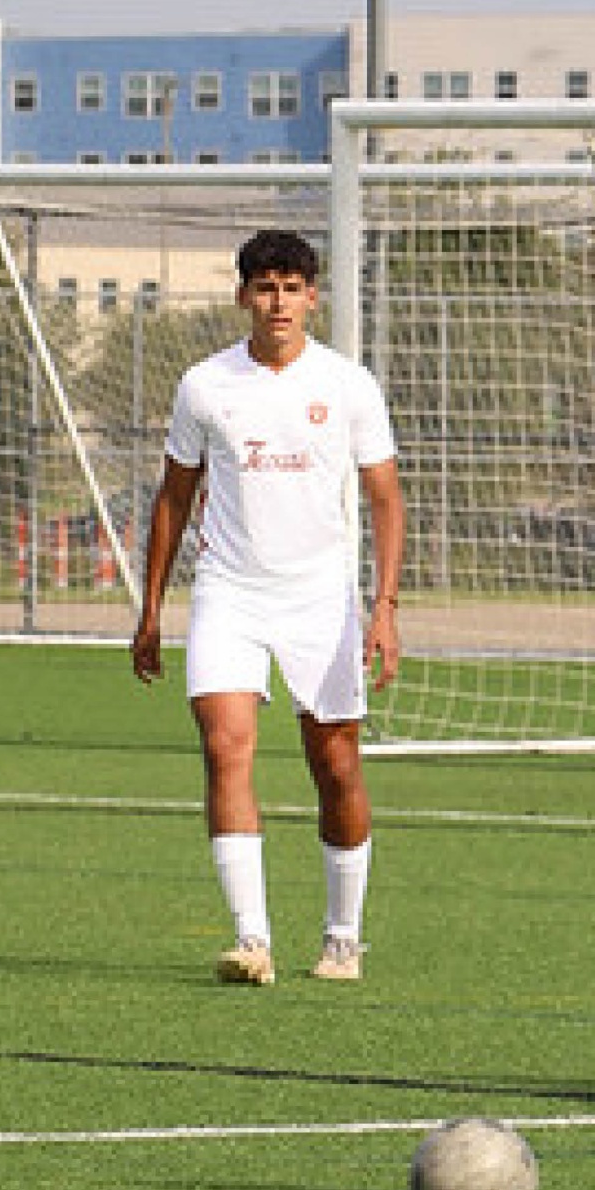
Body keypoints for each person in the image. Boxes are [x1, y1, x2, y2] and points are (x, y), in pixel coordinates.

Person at [131, 229, 406, 986]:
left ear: (312, 297)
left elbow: (385, 498)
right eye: (264, 287)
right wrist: (151, 608)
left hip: (322, 600)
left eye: (291, 286)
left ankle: (343, 937)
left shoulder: (348, 385)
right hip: (230, 592)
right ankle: (252, 940)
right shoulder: (205, 385)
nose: (277, 301)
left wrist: (383, 607)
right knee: (226, 747)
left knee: (336, 764)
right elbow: (174, 497)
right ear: (243, 297)